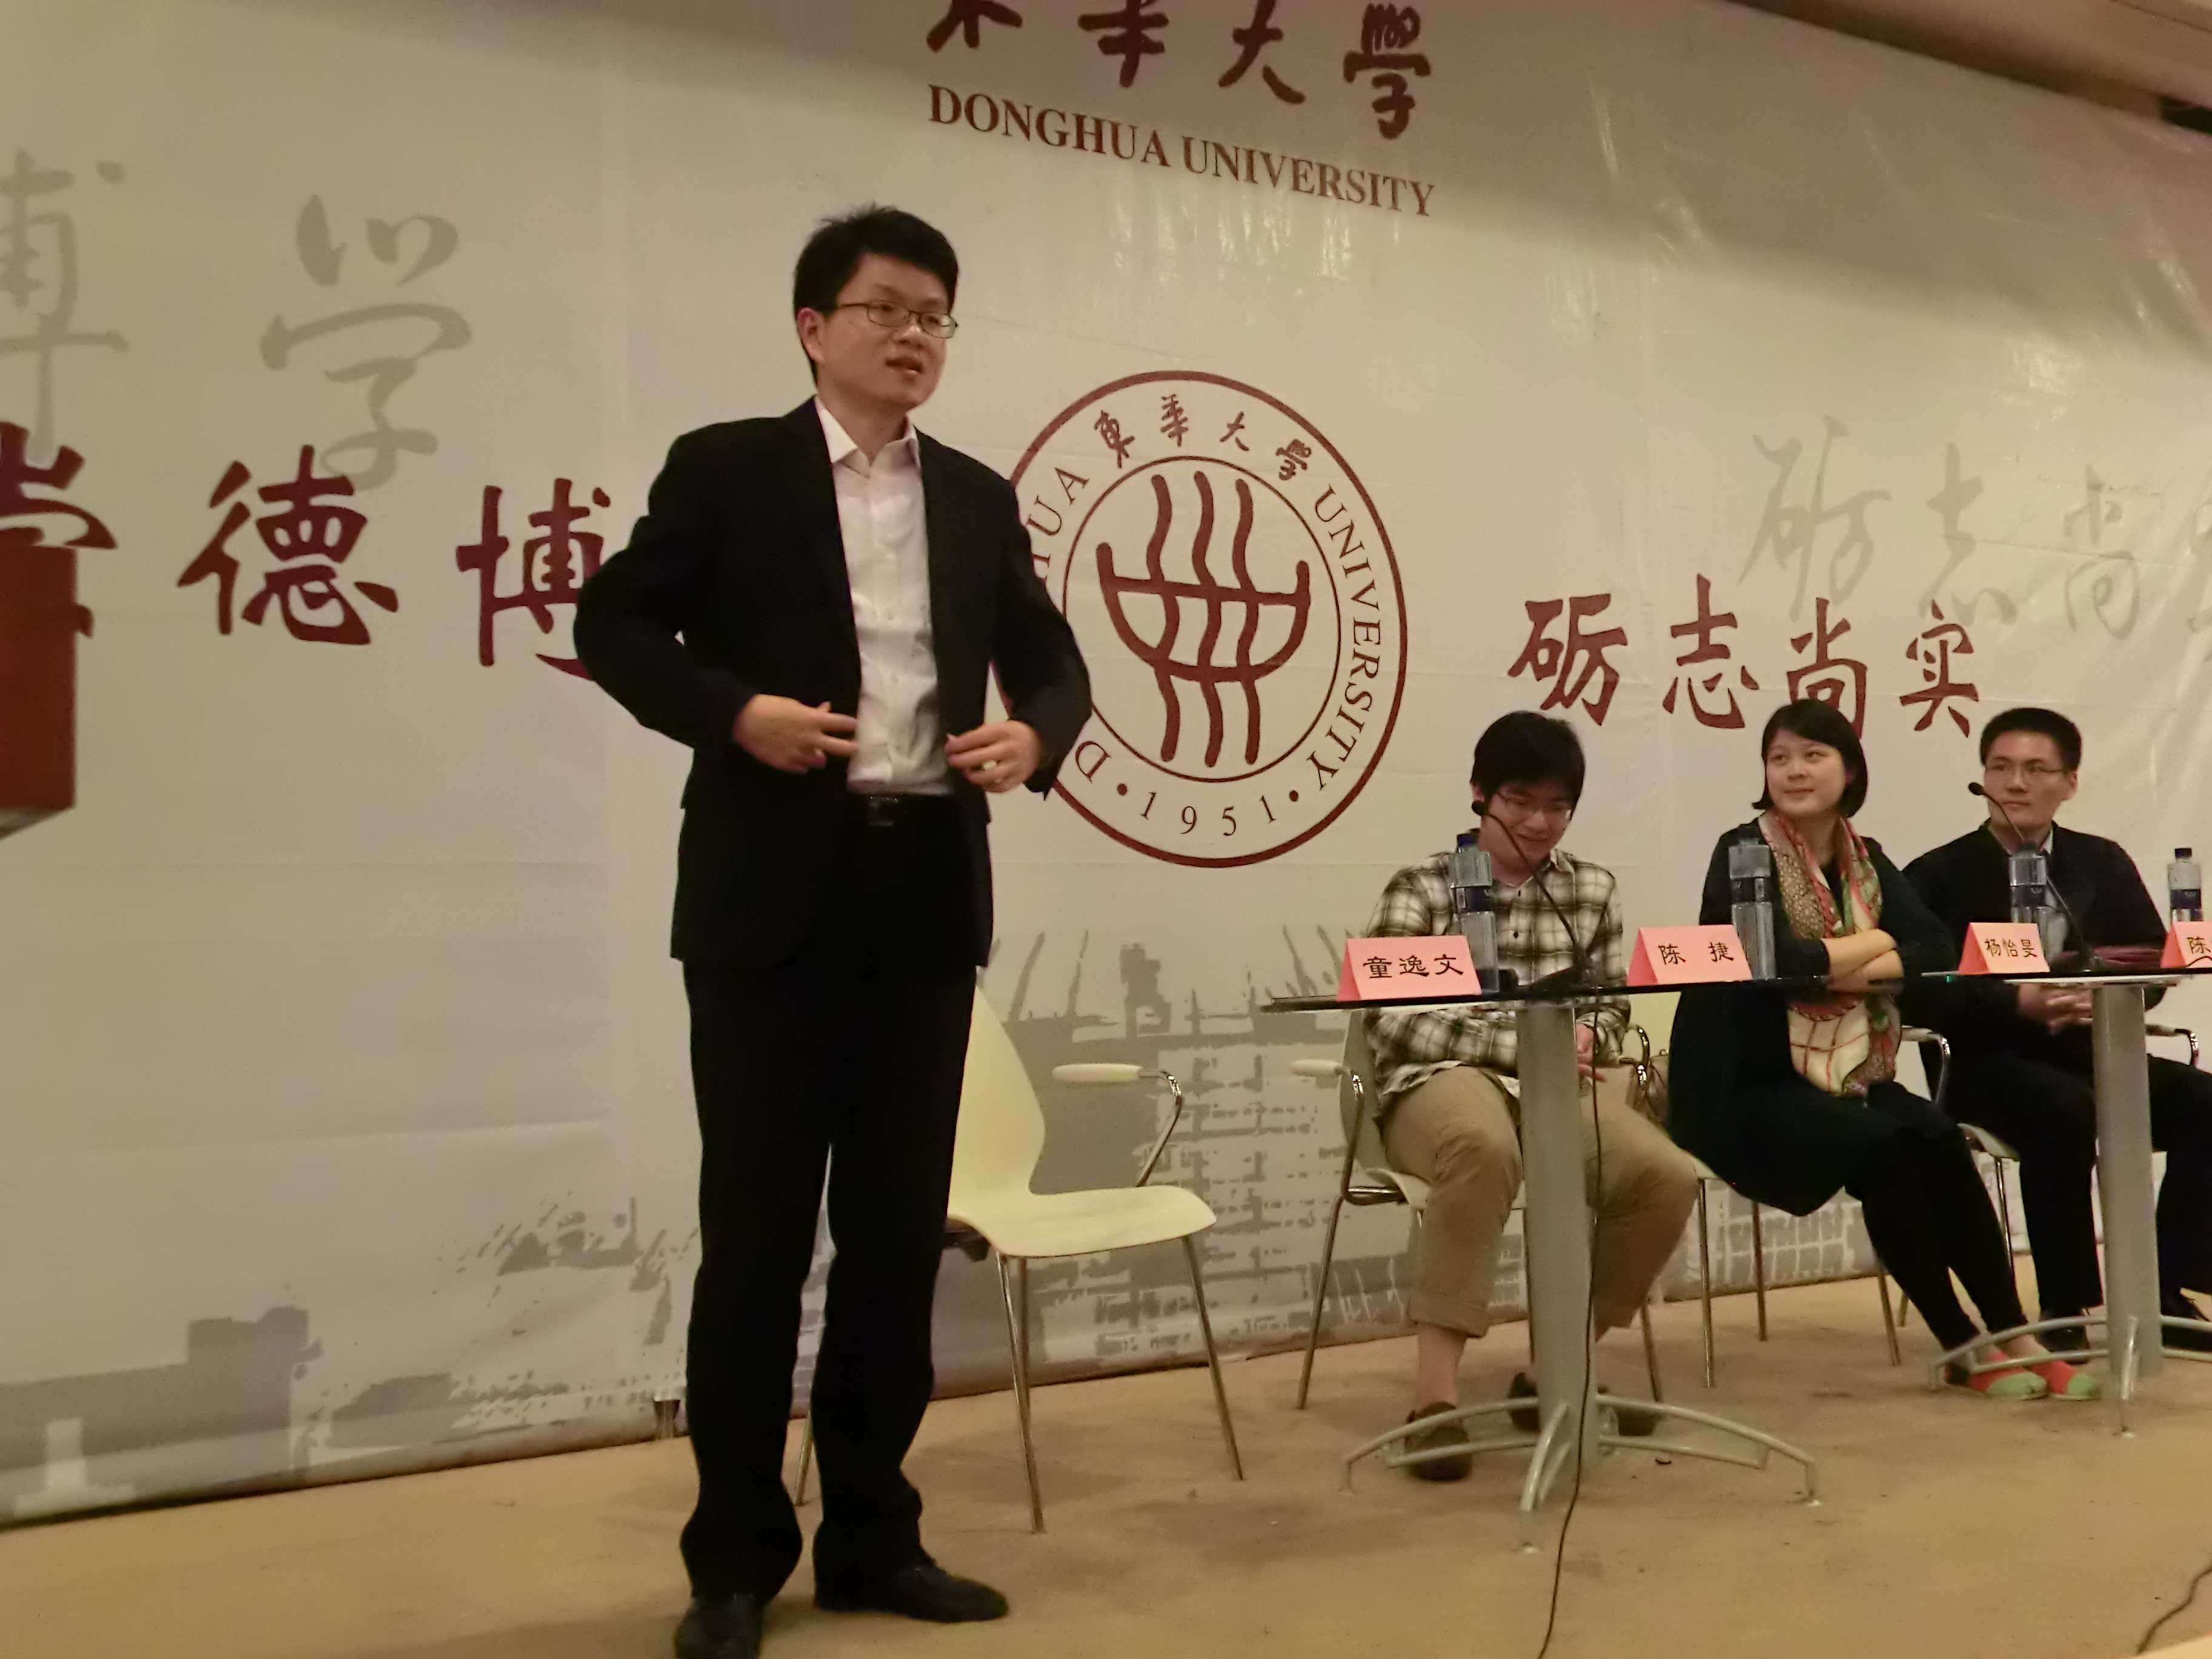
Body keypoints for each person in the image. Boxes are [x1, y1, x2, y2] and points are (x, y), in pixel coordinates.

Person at [574, 206, 1091, 1659]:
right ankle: (735, 1557)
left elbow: (1051, 659)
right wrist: (732, 709)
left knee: (892, 1240)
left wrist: (1034, 736)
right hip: (769, 905)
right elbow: (614, 623)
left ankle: (874, 1534)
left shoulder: (977, 497)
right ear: (814, 327)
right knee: (754, 1240)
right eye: (884, 308)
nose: (913, 334)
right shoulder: (728, 469)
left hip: (922, 895)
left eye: (934, 313)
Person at [1667, 699, 2090, 1401]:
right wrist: (1878, 944)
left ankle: (2013, 1333)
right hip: (1745, 1081)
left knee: (1939, 1137)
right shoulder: (1742, 852)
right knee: (1887, 1150)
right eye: (1779, 758)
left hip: (1848, 1070)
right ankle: (1960, 1344)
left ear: (1850, 770)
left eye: (1813, 756)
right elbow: (1775, 963)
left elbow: (1935, 950)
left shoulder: (1866, 859)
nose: (1794, 771)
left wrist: (1842, 961)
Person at [1362, 711, 1700, 1477]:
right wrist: (1522, 1046)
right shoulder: (1421, 889)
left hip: (1560, 1087)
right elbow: (1392, 1017)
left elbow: (1612, 1010)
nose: (1539, 823)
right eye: (1520, 802)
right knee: (1480, 1148)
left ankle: (1556, 1372)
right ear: (1479, 795)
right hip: (1440, 1081)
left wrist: (1585, 1039)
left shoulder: (1590, 890)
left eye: (1557, 807)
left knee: (1664, 1177)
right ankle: (1434, 1403)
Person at [1902, 706, 2212, 1355]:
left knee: (2205, 1101)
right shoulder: (1936, 874)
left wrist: (2102, 994)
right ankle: (2065, 1303)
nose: (2015, 783)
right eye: (2000, 768)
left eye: (2035, 769)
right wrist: (2017, 1004)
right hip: (1982, 1062)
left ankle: (2163, 1286)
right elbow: (1922, 988)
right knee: (2062, 1109)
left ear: (2069, 783)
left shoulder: (2100, 863)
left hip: (2090, 1049)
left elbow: (2151, 960)